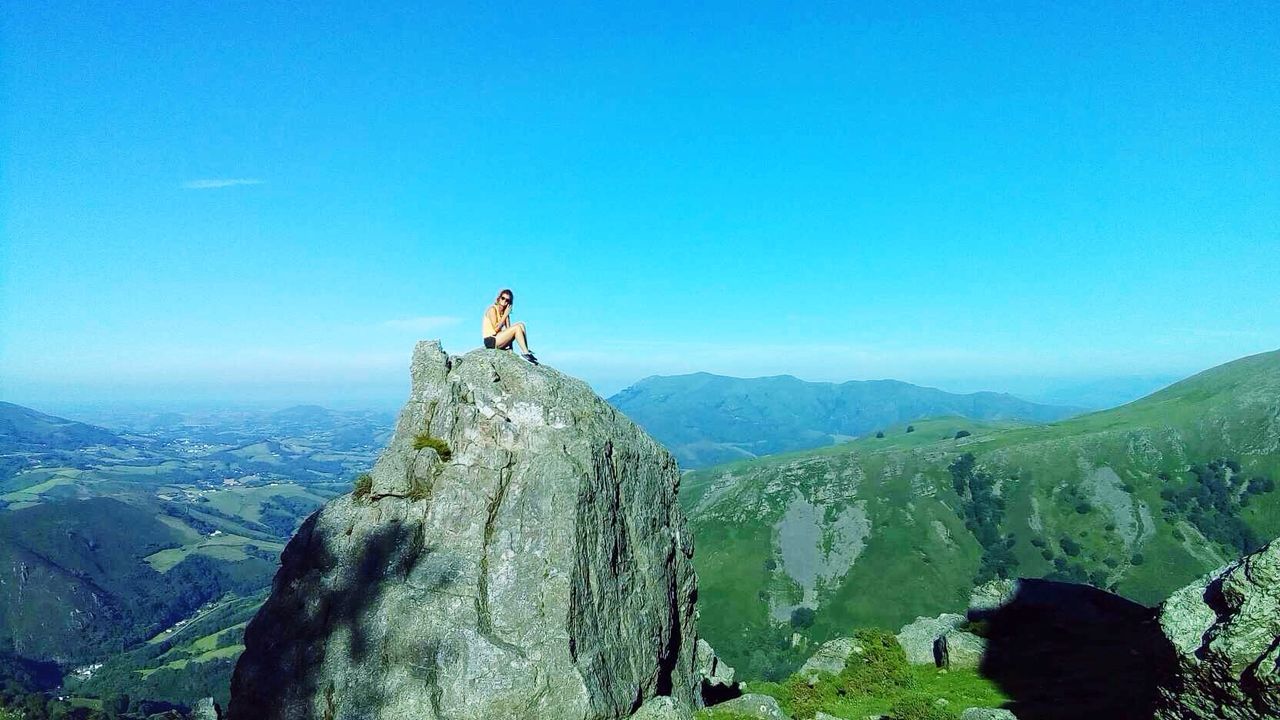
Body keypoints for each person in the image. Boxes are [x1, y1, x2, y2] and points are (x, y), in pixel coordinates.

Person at [482, 288, 538, 364]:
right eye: (503, 298)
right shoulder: (492, 309)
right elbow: (495, 329)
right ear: (499, 298)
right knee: (517, 327)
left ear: (509, 303)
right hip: (491, 340)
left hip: (499, 338)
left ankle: (526, 351)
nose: (504, 301)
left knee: (521, 325)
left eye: (507, 300)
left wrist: (510, 349)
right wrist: (505, 315)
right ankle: (525, 353)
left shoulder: (505, 313)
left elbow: (509, 331)